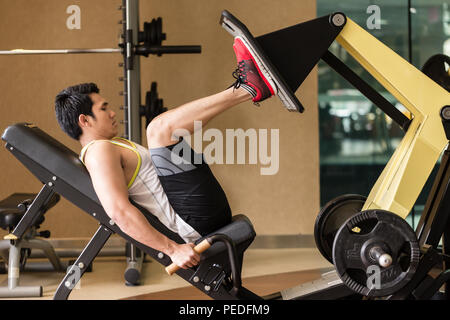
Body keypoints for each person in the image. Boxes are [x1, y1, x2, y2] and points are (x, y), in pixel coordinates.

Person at [54, 37, 276, 270]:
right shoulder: (98, 152)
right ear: (84, 120)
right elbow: (118, 211)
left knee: (163, 130)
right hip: (191, 222)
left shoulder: (111, 145)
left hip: (198, 211)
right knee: (159, 130)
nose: (111, 113)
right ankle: (249, 88)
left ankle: (247, 88)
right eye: (103, 108)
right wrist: (172, 249)